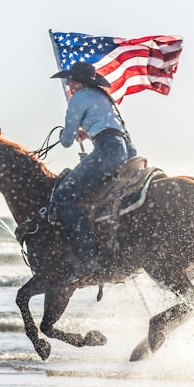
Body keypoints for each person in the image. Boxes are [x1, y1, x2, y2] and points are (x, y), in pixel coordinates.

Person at [49, 61, 138, 283]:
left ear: (78, 82)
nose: (67, 83)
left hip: (108, 151)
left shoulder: (77, 99)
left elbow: (67, 140)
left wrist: (68, 135)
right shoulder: (103, 97)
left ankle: (88, 258)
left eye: (70, 80)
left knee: (64, 196)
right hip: (128, 151)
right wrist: (88, 134)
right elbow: (109, 126)